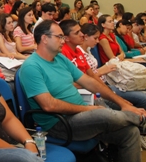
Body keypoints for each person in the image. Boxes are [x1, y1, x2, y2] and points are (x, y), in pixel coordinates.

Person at [19, 20, 146, 162]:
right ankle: (143, 122)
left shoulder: (59, 58)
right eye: (59, 37)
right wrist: (88, 110)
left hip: (80, 116)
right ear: (44, 38)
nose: (63, 40)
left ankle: (138, 121)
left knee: (130, 133)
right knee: (103, 113)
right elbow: (49, 105)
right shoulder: (31, 66)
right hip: (59, 123)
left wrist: (123, 103)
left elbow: (89, 82)